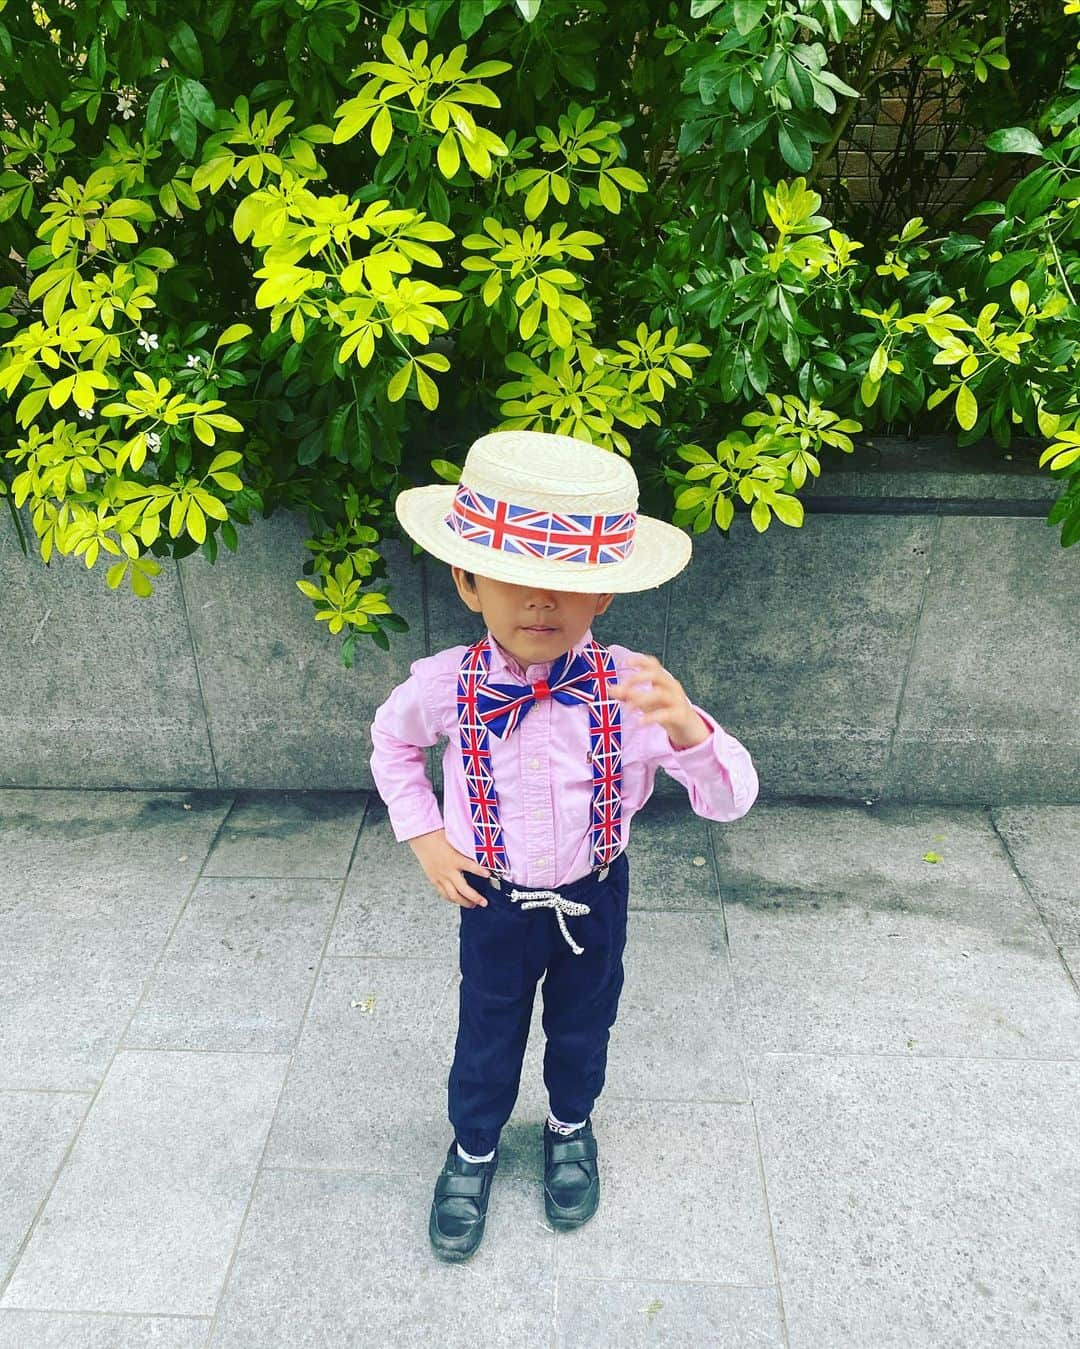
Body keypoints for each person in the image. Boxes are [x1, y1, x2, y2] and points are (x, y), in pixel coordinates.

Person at [369, 429, 759, 1262]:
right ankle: (473, 1144)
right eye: (515, 579)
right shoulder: (444, 684)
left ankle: (569, 1124)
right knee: (487, 1027)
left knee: (585, 1022)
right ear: (467, 582)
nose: (539, 604)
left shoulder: (632, 691)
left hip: (595, 892)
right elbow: (391, 745)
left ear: (604, 597)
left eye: (564, 585)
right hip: (493, 896)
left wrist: (690, 731)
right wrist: (427, 837)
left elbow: (731, 800)